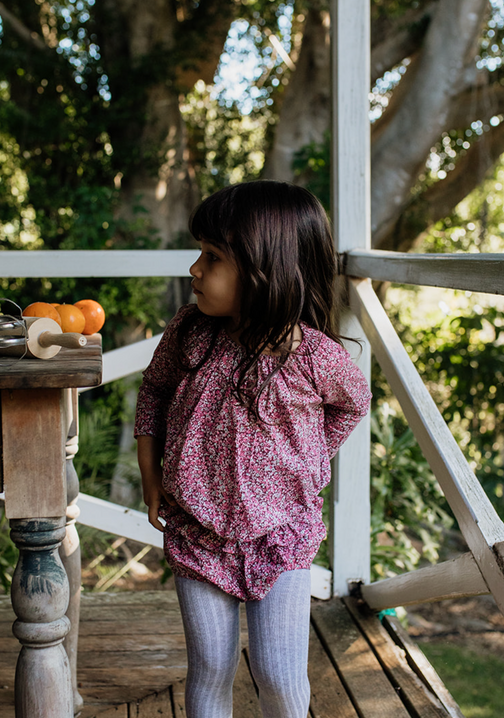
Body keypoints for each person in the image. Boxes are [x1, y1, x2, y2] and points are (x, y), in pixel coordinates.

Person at [134, 180, 371, 718]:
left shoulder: (313, 357)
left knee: (279, 675)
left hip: (281, 533)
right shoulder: (191, 332)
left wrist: (310, 463)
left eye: (212, 257)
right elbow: (155, 390)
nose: (195, 269)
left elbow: (354, 403)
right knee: (211, 667)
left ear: (268, 270)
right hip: (198, 530)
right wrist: (151, 476)